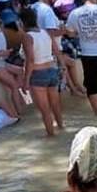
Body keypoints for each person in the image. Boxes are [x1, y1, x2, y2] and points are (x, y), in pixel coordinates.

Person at [20, 8, 63, 137]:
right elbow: (57, 51)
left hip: (38, 74)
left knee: (44, 109)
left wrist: (26, 81)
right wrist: (62, 67)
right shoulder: (46, 32)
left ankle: (51, 136)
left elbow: (30, 60)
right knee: (55, 104)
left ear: (22, 22)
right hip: (52, 70)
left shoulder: (27, 37)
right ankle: (61, 127)